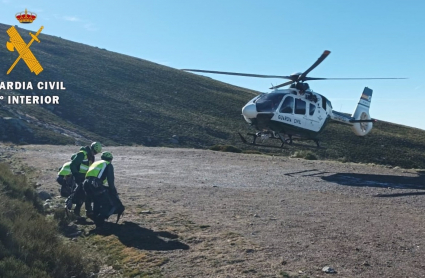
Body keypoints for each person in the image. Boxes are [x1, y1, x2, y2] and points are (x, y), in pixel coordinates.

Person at [83, 151, 124, 229]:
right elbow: (110, 181)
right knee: (106, 203)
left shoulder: (96, 163)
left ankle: (96, 220)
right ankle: (100, 220)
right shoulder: (108, 165)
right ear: (110, 159)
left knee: (96, 201)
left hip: (86, 183)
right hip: (95, 184)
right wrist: (113, 191)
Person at [66, 142, 102, 217]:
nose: (95, 154)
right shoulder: (82, 154)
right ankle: (74, 211)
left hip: (85, 178)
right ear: (92, 149)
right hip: (78, 177)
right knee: (78, 194)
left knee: (87, 194)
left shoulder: (91, 157)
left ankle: (88, 211)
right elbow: (73, 164)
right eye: (95, 152)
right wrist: (76, 175)